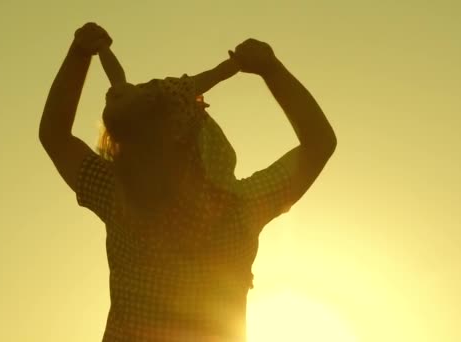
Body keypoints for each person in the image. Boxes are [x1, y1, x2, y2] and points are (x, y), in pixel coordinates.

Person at [39, 22, 337, 342]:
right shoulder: (239, 207)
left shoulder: (120, 194)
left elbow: (55, 136)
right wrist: (271, 69)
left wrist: (79, 53)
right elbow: (319, 143)